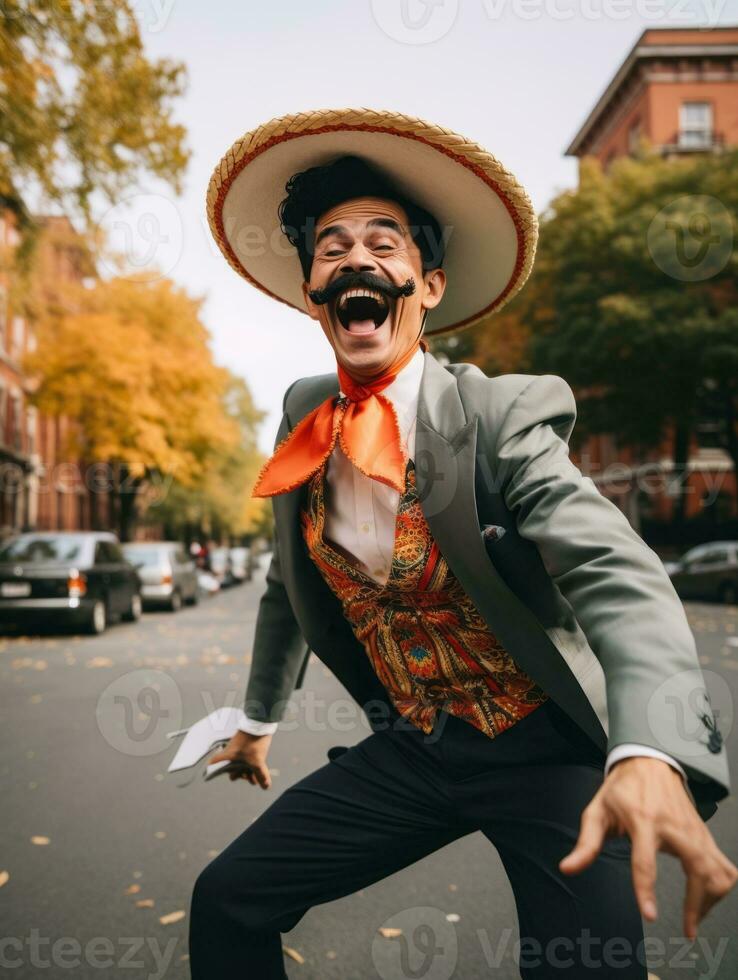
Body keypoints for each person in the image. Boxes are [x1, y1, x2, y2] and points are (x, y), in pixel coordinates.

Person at [189, 109, 735, 978]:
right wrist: (258, 721)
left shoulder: (500, 416)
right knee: (227, 901)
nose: (356, 259)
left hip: (545, 745)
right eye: (331, 248)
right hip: (418, 742)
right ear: (311, 294)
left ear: (428, 286)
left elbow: (615, 571)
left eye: (384, 243)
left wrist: (650, 747)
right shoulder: (302, 417)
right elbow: (286, 586)